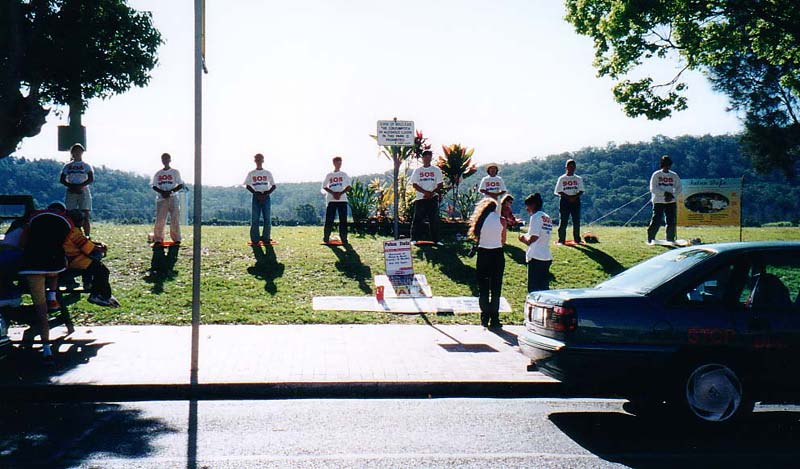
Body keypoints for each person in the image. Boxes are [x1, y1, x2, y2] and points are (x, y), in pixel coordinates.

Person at [17, 202, 73, 364]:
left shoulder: (34, 217)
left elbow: (22, 243)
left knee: (41, 310)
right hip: (53, 263)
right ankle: (52, 295)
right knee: (57, 271)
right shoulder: (66, 221)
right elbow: (67, 246)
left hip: (32, 266)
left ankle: (46, 350)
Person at [63, 210, 119, 308]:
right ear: (79, 221)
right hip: (74, 261)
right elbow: (87, 248)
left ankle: (104, 294)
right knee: (102, 270)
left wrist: (96, 244)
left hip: (69, 259)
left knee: (98, 267)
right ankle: (97, 295)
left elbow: (85, 243)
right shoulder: (74, 232)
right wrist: (101, 248)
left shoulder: (68, 229)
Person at [468, 197, 507, 328]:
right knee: (496, 288)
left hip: (483, 253)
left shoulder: (480, 222)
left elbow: (477, 237)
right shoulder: (502, 220)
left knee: (483, 287)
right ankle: (495, 318)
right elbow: (503, 241)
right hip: (497, 254)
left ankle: (484, 317)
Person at [519, 193, 553, 292]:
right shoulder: (547, 217)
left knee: (533, 289)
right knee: (544, 288)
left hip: (536, 255)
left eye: (527, 206)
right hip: (546, 255)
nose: (526, 209)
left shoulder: (535, 217)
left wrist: (523, 239)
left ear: (533, 205)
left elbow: (534, 237)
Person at [60, 143, 94, 237]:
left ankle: (87, 236)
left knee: (85, 214)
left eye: (79, 151)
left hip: (84, 190)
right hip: (71, 191)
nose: (77, 153)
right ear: (72, 153)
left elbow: (91, 178)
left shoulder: (86, 165)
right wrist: (71, 186)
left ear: (82, 152)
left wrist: (80, 186)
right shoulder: (67, 166)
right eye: (75, 151)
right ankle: (72, 236)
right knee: (70, 214)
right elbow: (62, 179)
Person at [410, 150, 444, 245]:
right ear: (423, 158)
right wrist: (425, 192)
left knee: (434, 219)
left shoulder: (436, 170)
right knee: (418, 219)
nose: (427, 159)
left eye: (429, 156)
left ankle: (436, 240)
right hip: (420, 198)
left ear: (431, 158)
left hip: (433, 198)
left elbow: (440, 184)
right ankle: (414, 239)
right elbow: (414, 184)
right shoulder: (418, 170)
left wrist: (431, 193)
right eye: (425, 156)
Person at [647, 155, 682, 244]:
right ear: (662, 165)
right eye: (665, 164)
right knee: (656, 220)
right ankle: (651, 238)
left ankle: (670, 239)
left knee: (671, 221)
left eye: (668, 164)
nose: (667, 166)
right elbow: (653, 188)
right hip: (658, 201)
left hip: (671, 201)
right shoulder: (656, 174)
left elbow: (679, 188)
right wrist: (665, 194)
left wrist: (672, 196)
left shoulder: (674, 175)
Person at [151, 152, 184, 245]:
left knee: (175, 218)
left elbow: (180, 185)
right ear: (161, 160)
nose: (165, 160)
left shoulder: (175, 172)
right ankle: (158, 239)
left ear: (170, 160)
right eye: (163, 159)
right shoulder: (158, 173)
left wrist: (171, 191)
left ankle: (176, 239)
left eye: (166, 159)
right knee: (160, 219)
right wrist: (162, 192)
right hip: (161, 198)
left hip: (173, 197)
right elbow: (154, 186)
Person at [244, 153, 276, 245]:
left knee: (267, 218)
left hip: (266, 196)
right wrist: (256, 193)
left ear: (263, 160)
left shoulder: (267, 173)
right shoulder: (251, 173)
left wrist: (266, 194)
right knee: (255, 218)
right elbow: (247, 185)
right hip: (256, 196)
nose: (258, 161)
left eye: (260, 159)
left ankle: (266, 238)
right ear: (255, 161)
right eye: (257, 159)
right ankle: (255, 239)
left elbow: (273, 186)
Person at [321, 156, 352, 244]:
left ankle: (344, 239)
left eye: (340, 163)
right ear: (334, 163)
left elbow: (349, 187)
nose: (339, 164)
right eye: (337, 162)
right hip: (331, 200)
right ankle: (326, 238)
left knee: (343, 220)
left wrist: (340, 193)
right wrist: (333, 193)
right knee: (329, 220)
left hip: (342, 200)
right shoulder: (329, 175)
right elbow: (324, 186)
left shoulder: (344, 174)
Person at [554, 159, 584, 244]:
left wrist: (574, 197)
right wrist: (568, 197)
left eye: (573, 166)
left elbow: (581, 190)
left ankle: (577, 239)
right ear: (566, 167)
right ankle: (561, 240)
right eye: (569, 166)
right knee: (563, 221)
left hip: (576, 201)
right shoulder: (562, 178)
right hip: (564, 201)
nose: (571, 168)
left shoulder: (578, 179)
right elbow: (558, 191)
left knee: (576, 221)